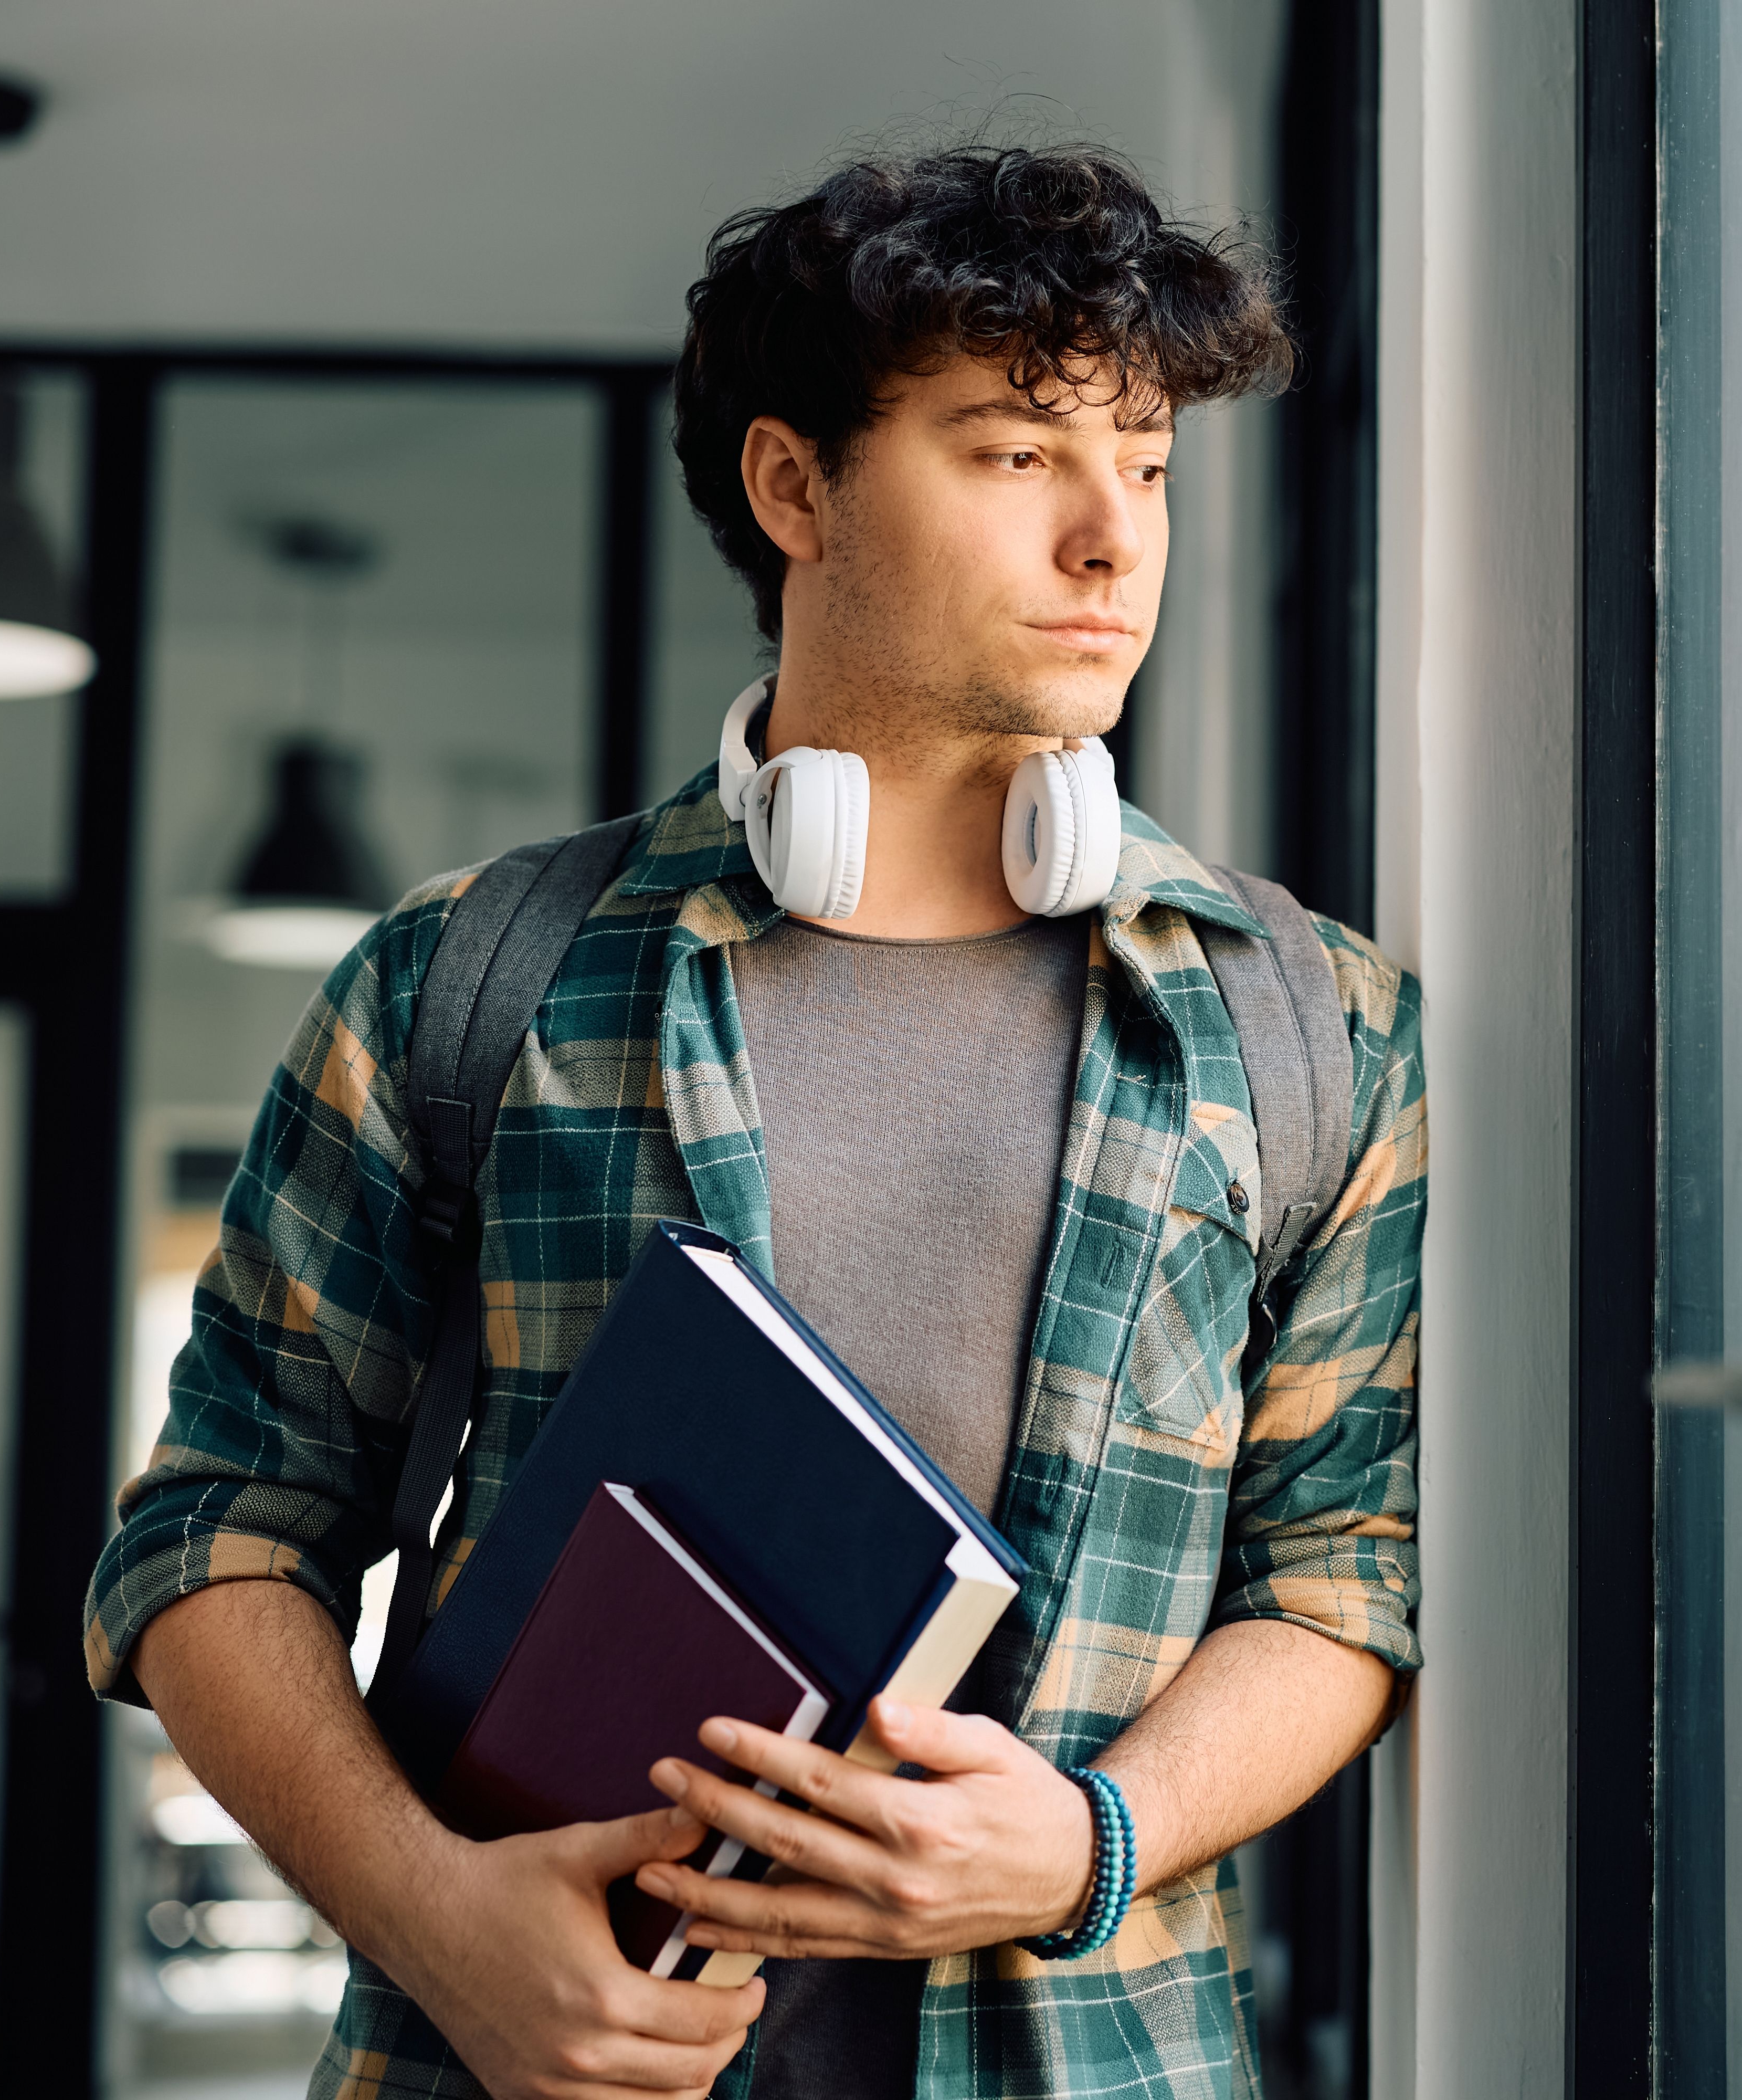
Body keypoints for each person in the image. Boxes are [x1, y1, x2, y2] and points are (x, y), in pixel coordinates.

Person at [80, 143, 1424, 2100]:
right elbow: (212, 1532)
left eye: (1143, 465)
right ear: (795, 487)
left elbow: (1344, 1575)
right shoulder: (472, 983)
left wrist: (1089, 1841)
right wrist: (431, 1922)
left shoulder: (1313, 1025)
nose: (1111, 542)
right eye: (1013, 453)